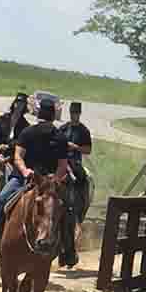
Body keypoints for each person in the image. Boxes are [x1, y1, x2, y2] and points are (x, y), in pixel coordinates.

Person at [0, 98, 75, 264]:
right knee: (69, 209)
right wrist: (49, 177)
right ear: (53, 116)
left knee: (2, 199)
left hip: (29, 180)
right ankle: (68, 250)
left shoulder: (29, 132)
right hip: (35, 180)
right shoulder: (57, 136)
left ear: (39, 114)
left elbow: (18, 157)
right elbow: (62, 166)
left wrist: (26, 172)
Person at [57, 101, 93, 268]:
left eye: (76, 113)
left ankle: (82, 204)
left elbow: (88, 150)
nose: (74, 115)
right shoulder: (62, 129)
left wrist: (76, 147)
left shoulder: (84, 130)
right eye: (72, 113)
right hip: (61, 161)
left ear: (79, 114)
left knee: (83, 178)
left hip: (75, 161)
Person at [0, 93, 30, 162]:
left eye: (21, 104)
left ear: (24, 107)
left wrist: (8, 146)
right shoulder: (2, 119)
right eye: (17, 102)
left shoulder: (25, 125)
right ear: (14, 103)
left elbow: (20, 141)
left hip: (12, 156)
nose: (18, 105)